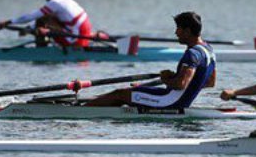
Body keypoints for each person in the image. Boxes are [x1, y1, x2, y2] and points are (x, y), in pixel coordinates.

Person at [84, 12, 216, 109]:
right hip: (175, 99)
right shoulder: (209, 50)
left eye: (178, 29)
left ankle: (82, 111)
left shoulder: (192, 54)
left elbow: (181, 84)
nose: (176, 32)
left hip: (169, 102)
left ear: (187, 31)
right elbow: (210, 82)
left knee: (119, 94)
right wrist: (176, 78)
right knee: (128, 93)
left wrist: (166, 79)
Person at [0, 0, 94, 48]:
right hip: (83, 35)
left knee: (41, 21)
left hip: (77, 41)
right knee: (45, 18)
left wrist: (7, 22)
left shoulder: (54, 2)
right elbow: (46, 19)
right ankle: (41, 37)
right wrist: (29, 28)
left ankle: (41, 50)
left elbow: (31, 16)